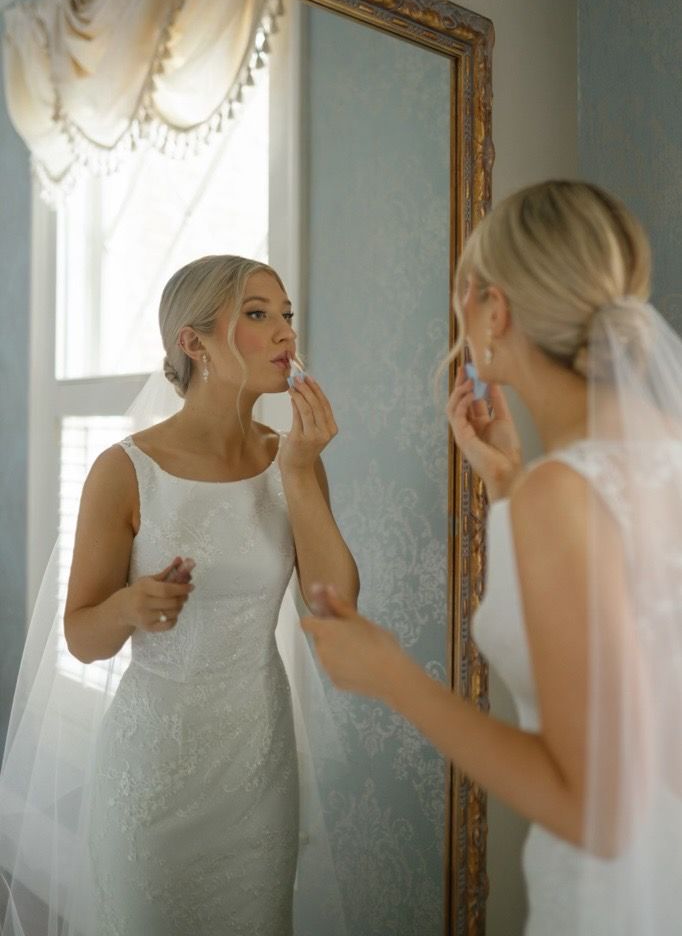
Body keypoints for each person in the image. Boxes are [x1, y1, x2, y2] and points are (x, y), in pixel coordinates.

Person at [302, 180, 682, 935]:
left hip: (609, 899)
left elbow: (596, 811)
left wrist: (393, 677)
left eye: (463, 296)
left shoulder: (560, 495)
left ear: (493, 310)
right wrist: (508, 479)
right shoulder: (647, 466)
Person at [0, 254, 359, 936]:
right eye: (258, 315)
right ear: (193, 343)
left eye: (287, 315)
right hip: (153, 773)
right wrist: (132, 605)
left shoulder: (291, 460)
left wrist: (303, 471)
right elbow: (80, 636)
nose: (286, 333)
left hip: (258, 767)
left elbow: (333, 600)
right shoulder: (123, 471)